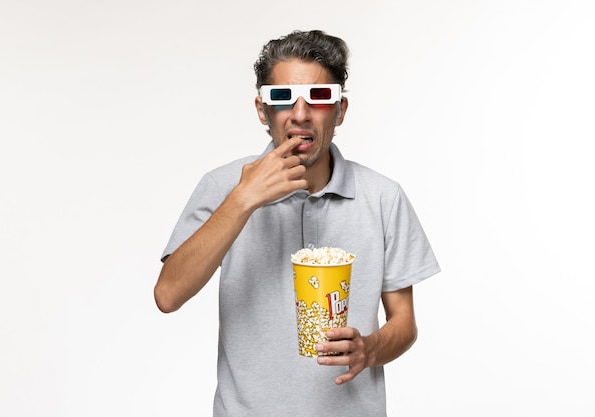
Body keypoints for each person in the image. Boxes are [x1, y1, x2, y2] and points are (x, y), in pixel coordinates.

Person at [154, 29, 440, 416]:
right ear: (262, 110)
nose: (301, 114)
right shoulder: (223, 186)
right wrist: (244, 198)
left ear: (340, 111)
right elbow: (168, 295)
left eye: (320, 98)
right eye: (282, 97)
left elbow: (404, 324)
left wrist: (369, 349)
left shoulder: (382, 196)